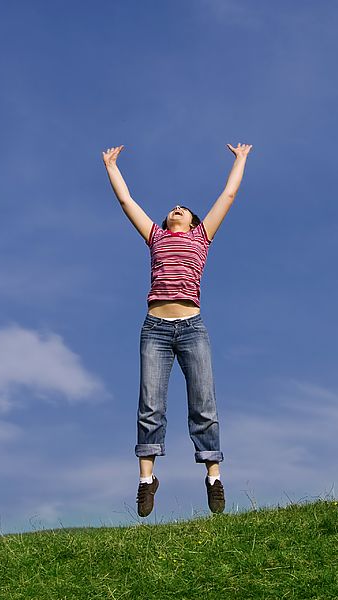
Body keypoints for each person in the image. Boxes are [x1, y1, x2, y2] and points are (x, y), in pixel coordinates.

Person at [102, 142, 252, 516]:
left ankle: (214, 478)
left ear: (193, 223)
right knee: (150, 404)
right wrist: (111, 166)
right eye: (173, 208)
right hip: (154, 328)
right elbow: (126, 202)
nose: (176, 209)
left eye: (183, 210)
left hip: (192, 328)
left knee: (204, 403)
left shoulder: (201, 238)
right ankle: (146, 480)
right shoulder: (156, 236)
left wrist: (241, 159)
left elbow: (228, 195)